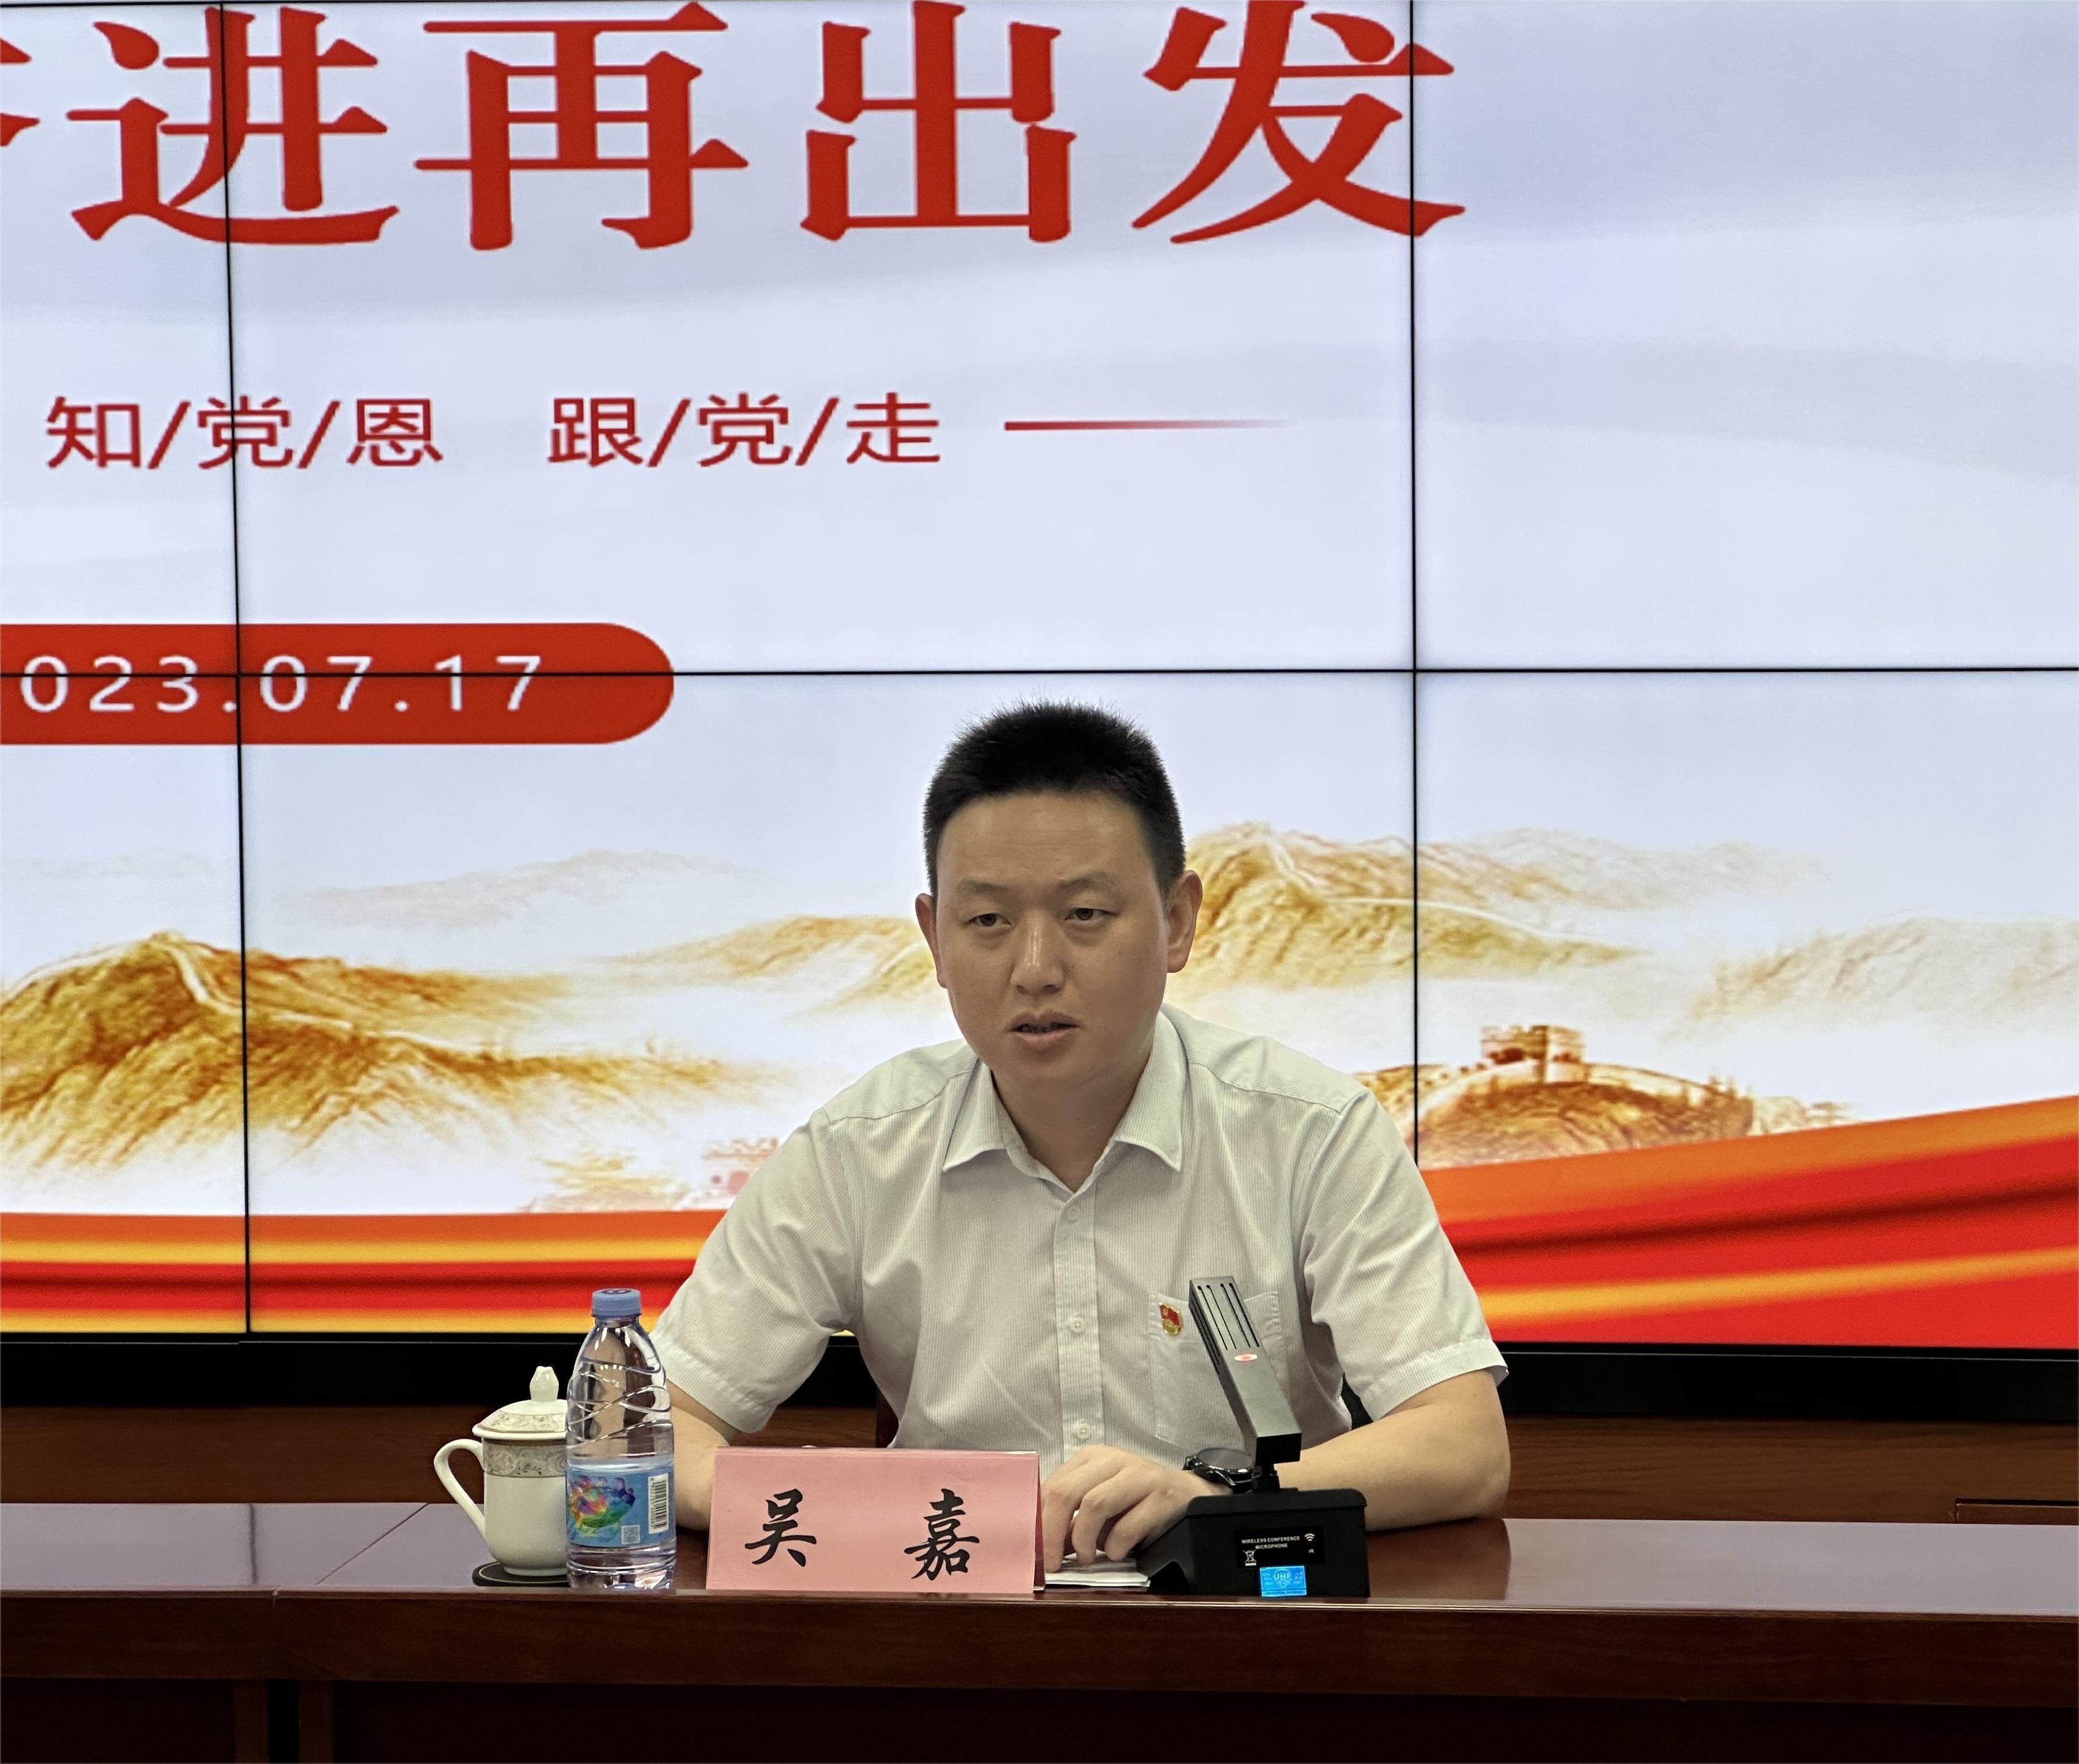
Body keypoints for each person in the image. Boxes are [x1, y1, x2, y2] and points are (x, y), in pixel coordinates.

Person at [652, 702, 1509, 1569]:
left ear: (1177, 921)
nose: (1035, 969)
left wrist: (1216, 1499)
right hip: (955, 1619)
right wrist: (817, 1506)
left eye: (1086, 914)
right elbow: (654, 1423)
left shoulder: (1311, 1134)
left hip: (1242, 1619)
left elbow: (1464, 1446)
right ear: (935, 939)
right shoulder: (858, 1151)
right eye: (988, 922)